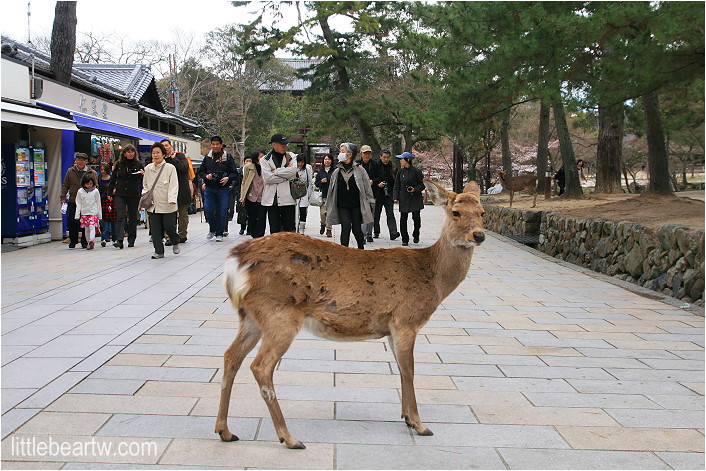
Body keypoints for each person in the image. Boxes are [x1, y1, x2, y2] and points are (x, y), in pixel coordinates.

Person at [325, 142, 375, 249]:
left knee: (357, 229)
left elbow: (367, 189)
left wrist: (371, 204)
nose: (340, 153)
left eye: (342, 151)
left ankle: (361, 249)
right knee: (346, 227)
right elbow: (331, 191)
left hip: (356, 205)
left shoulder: (360, 170)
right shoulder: (336, 171)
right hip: (342, 205)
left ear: (350, 154)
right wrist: (327, 206)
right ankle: (344, 252)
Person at [143, 142, 180, 259]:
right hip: (153, 205)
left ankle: (175, 240)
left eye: (158, 152)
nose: (155, 155)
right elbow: (145, 185)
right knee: (155, 230)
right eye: (153, 153)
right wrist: (144, 196)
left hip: (168, 203)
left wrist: (172, 199)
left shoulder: (170, 168)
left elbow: (174, 185)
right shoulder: (148, 168)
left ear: (163, 154)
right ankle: (159, 251)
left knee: (169, 226)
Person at [199, 136, 238, 241]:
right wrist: (206, 176)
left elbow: (235, 173)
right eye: (213, 144)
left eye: (217, 144)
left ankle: (220, 233)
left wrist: (227, 178)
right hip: (210, 188)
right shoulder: (207, 157)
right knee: (208, 210)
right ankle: (212, 229)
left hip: (223, 189)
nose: (215, 146)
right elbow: (200, 172)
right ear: (211, 145)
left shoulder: (228, 157)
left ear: (221, 145)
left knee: (222, 211)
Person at [260, 133, 298, 233]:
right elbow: (268, 178)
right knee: (275, 230)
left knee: (289, 229)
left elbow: (293, 171)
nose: (285, 146)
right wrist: (286, 176)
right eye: (282, 144)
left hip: (288, 199)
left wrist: (276, 171)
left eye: (286, 144)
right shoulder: (264, 160)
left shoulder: (291, 156)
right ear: (274, 144)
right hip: (272, 201)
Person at [108, 144, 144, 249]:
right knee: (121, 216)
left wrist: (143, 175)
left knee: (132, 217)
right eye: (128, 152)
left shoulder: (138, 164)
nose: (130, 153)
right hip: (120, 193)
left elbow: (143, 181)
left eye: (132, 151)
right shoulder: (119, 164)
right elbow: (113, 179)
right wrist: (110, 192)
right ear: (124, 153)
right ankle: (119, 239)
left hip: (133, 194)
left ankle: (131, 239)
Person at [61, 153, 98, 248]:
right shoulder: (70, 171)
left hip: (87, 202)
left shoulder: (91, 172)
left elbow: (95, 186)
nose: (80, 162)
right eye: (78, 160)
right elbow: (65, 185)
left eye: (82, 160)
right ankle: (73, 240)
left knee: (85, 222)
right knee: (72, 220)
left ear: (86, 161)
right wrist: (62, 197)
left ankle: (85, 241)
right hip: (73, 199)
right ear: (75, 161)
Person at [161, 139, 190, 244]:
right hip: (167, 191)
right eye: (163, 146)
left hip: (182, 190)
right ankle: (169, 237)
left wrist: (174, 160)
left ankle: (182, 235)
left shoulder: (180, 156)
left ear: (171, 146)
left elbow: (183, 169)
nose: (165, 147)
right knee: (169, 216)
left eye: (167, 145)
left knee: (182, 215)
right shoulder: (161, 160)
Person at [393, 151, 424, 246]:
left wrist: (415, 189)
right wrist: (395, 197)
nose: (401, 161)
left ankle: (416, 234)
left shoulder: (416, 171)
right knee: (403, 219)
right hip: (404, 198)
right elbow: (396, 185)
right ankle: (404, 239)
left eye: (402, 159)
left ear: (407, 160)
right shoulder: (400, 172)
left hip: (415, 198)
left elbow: (422, 185)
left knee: (416, 218)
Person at [371, 149, 400, 240]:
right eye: (384, 157)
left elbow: (396, 181)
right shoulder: (375, 165)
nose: (386, 159)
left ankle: (393, 233)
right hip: (378, 193)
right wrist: (378, 184)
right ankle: (376, 232)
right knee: (376, 214)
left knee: (390, 214)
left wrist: (396, 195)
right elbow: (371, 178)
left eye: (387, 157)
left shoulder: (393, 166)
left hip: (389, 193)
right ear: (380, 157)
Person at [240, 150, 266, 238]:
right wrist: (242, 195)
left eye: (264, 156)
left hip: (263, 197)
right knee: (252, 218)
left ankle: (260, 236)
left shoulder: (267, 168)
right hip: (251, 197)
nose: (263, 158)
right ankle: (254, 236)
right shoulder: (248, 167)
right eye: (260, 156)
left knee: (262, 219)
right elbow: (244, 182)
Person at [74, 173, 102, 250]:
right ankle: (88, 242)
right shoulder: (80, 192)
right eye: (87, 184)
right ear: (83, 183)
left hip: (93, 212)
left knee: (91, 226)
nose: (89, 185)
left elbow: (98, 202)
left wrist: (99, 215)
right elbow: (78, 203)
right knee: (86, 228)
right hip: (84, 213)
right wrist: (77, 214)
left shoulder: (95, 191)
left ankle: (92, 240)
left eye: (90, 183)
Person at [356, 144, 377, 243]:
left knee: (371, 215)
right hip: (360, 194)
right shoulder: (356, 165)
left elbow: (380, 177)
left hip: (373, 193)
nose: (367, 155)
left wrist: (374, 181)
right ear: (361, 154)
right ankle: (363, 235)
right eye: (365, 153)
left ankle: (369, 234)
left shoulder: (376, 165)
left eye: (369, 153)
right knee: (363, 214)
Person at [315, 153, 335, 237]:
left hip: (332, 196)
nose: (327, 161)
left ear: (331, 161)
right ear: (323, 161)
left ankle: (329, 229)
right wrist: (321, 182)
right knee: (323, 213)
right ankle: (323, 224)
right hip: (323, 195)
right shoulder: (320, 171)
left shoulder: (335, 170)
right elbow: (316, 184)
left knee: (329, 213)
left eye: (329, 159)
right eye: (325, 159)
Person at [97, 163, 117, 247]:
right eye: (101, 170)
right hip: (102, 200)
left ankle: (115, 238)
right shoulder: (98, 179)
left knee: (114, 220)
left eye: (104, 170)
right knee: (104, 220)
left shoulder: (112, 178)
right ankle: (104, 238)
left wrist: (113, 193)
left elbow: (116, 187)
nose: (103, 172)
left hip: (112, 200)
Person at [295, 154, 314, 233]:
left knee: (303, 210)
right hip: (295, 192)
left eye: (302, 162)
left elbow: (310, 182)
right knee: (295, 211)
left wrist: (308, 193)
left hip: (304, 193)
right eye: (298, 162)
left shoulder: (307, 170)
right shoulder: (293, 169)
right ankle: (295, 227)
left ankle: (302, 228)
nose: (300, 164)